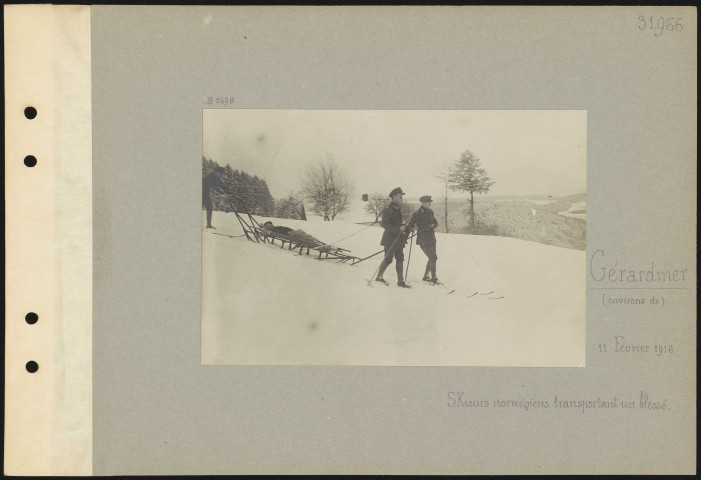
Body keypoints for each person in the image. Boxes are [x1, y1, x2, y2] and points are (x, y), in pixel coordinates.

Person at [375, 187, 411, 288]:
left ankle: (400, 281)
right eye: (400, 196)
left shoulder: (397, 208)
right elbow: (385, 225)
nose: (401, 198)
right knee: (388, 259)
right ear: (393, 196)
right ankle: (379, 277)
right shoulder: (388, 210)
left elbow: (398, 224)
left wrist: (406, 228)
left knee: (400, 259)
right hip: (390, 239)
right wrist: (398, 228)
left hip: (398, 239)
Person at [406, 195, 440, 284]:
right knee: (433, 257)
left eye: (430, 202)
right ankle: (434, 278)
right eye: (428, 203)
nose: (430, 204)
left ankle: (426, 276)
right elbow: (410, 225)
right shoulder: (417, 213)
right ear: (424, 203)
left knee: (432, 257)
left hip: (432, 239)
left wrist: (432, 226)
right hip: (423, 240)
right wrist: (411, 229)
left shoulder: (430, 212)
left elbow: (436, 223)